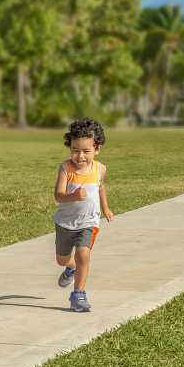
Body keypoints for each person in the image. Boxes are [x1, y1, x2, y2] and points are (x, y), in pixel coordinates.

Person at [53, 118, 114, 312]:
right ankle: (70, 268)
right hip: (65, 222)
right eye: (75, 150)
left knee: (83, 255)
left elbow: (100, 187)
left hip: (88, 221)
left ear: (97, 149)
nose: (80, 156)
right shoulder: (65, 169)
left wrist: (105, 208)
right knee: (62, 259)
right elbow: (58, 196)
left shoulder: (99, 169)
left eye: (86, 151)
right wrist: (74, 196)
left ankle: (79, 295)